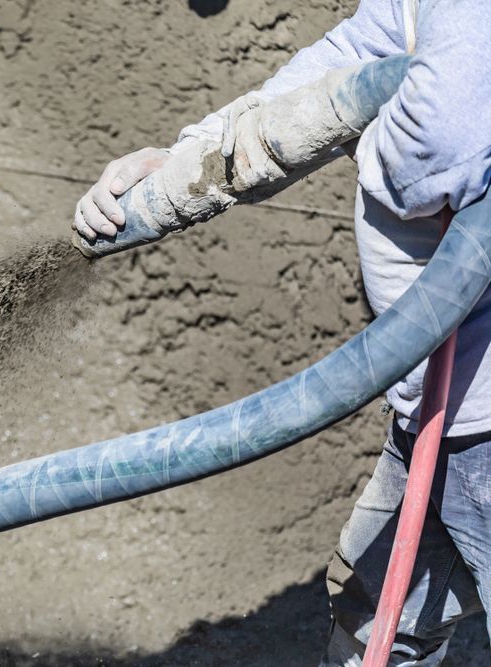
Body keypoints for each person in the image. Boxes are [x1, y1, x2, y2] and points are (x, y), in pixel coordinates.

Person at [73, 1, 491, 664]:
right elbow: (339, 68)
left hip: (482, 429)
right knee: (376, 608)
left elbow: (437, 152)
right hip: (440, 418)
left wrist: (361, 121)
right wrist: (179, 165)